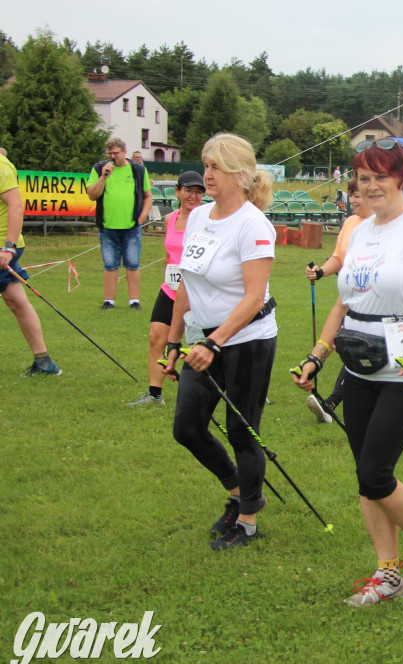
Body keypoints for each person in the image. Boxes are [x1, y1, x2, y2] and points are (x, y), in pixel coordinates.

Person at [292, 137, 403, 606]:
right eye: (362, 178)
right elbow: (344, 302)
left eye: (378, 177)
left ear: (400, 178)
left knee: (375, 471)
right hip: (359, 364)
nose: (368, 187)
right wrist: (317, 354)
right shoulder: (362, 229)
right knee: (365, 475)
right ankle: (387, 570)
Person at [163, 133, 278, 551]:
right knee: (187, 428)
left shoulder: (253, 224)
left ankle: (247, 520)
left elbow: (253, 297)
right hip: (202, 339)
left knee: (242, 430)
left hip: (247, 339)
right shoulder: (197, 217)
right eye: (206, 165)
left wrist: (213, 342)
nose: (207, 174)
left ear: (241, 174)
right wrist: (174, 342)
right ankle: (238, 492)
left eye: (216, 167)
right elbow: (185, 284)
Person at [126, 171, 206, 406]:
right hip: (170, 289)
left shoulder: (204, 220)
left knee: (198, 346)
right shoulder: (170, 219)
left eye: (199, 192)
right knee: (155, 338)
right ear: (178, 191)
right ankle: (154, 393)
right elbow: (170, 254)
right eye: (189, 191)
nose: (193, 196)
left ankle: (210, 395)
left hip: (195, 291)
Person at [304, 182, 373, 423]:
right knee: (346, 345)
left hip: (371, 299)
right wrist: (320, 271)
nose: (353, 201)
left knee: (350, 346)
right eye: (351, 196)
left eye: (358, 196)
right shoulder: (350, 223)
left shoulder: (378, 224)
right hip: (349, 297)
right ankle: (336, 400)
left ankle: (333, 401)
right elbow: (338, 257)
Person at [1, 152, 60, 377]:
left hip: (4, 246)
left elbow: (16, 206)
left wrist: (8, 247)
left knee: (16, 301)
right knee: (16, 300)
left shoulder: (1, 167)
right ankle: (44, 362)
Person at [85, 137, 153, 310]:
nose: (113, 156)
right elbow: (92, 195)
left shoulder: (138, 169)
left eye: (116, 153)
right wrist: (103, 177)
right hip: (108, 226)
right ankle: (109, 300)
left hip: (131, 226)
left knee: (132, 263)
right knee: (110, 264)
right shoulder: (100, 168)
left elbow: (147, 196)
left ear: (124, 152)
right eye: (110, 154)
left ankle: (134, 301)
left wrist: (142, 217)